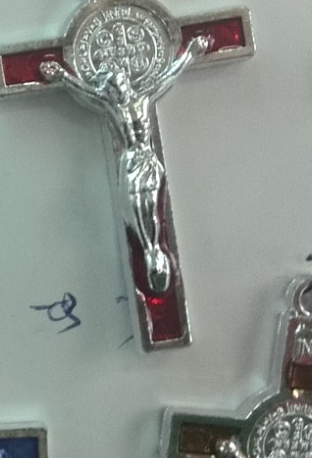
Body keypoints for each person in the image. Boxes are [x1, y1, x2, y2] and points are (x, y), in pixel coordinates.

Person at [43, 35, 209, 294]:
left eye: (118, 81)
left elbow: (169, 75)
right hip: (130, 161)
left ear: (125, 80)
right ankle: (149, 251)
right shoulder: (110, 106)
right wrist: (62, 76)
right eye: (112, 85)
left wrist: (190, 53)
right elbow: (84, 92)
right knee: (134, 206)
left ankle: (155, 251)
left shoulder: (143, 98)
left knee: (150, 208)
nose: (117, 87)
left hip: (147, 160)